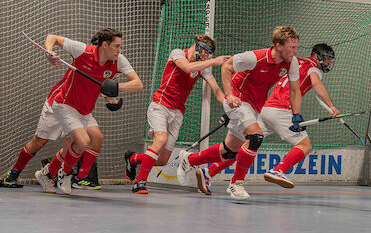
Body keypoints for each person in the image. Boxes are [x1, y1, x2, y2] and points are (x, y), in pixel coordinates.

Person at [187, 43, 339, 193]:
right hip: (281, 110)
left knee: (246, 145)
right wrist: (332, 106)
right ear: (317, 56)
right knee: (305, 145)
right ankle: (278, 170)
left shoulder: (295, 61)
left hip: (267, 109)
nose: (328, 62)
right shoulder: (314, 68)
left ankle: (209, 171)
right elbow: (317, 85)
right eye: (327, 59)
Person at [178, 26, 302, 200]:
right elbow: (227, 67)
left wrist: (296, 114)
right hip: (238, 99)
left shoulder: (292, 62)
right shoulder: (255, 57)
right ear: (278, 45)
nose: (295, 51)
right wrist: (229, 95)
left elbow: (295, 90)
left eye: (296, 47)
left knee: (230, 150)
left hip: (255, 106)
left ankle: (190, 161)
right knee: (256, 137)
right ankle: (237, 183)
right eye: (292, 47)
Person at [34, 28, 143, 194]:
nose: (120, 50)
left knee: (94, 138)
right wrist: (49, 52)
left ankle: (49, 173)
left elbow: (137, 83)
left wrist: (115, 87)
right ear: (104, 45)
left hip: (84, 109)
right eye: (117, 46)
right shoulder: (82, 50)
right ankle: (67, 173)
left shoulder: (118, 60)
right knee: (83, 141)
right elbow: (53, 37)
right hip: (65, 104)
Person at [123, 34, 229, 194]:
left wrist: (228, 105)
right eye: (206, 52)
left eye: (210, 54)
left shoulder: (203, 66)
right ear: (198, 46)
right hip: (160, 105)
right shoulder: (178, 53)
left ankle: (133, 158)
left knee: (162, 160)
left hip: (177, 112)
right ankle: (140, 182)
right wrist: (215, 61)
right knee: (160, 139)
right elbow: (187, 68)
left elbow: (216, 89)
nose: (207, 56)